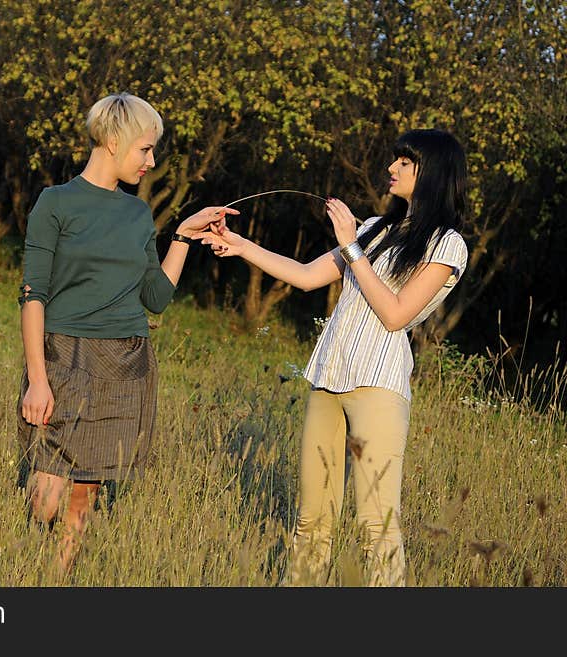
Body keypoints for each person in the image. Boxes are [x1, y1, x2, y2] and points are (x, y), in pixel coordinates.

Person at [197, 129, 469, 586]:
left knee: (376, 528)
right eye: (395, 160)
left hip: (378, 389)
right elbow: (306, 277)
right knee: (312, 522)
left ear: (433, 173)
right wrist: (242, 245)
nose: (392, 168)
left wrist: (351, 246)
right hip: (328, 380)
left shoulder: (446, 244)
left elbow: (396, 314)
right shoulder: (373, 230)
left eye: (405, 162)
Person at [17, 91, 236, 574]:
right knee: (46, 500)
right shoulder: (54, 204)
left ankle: (57, 579)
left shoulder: (137, 214)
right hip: (63, 356)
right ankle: (27, 560)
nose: (151, 161)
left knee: (85, 492)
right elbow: (33, 294)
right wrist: (37, 377)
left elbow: (155, 297)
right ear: (113, 140)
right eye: (144, 149)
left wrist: (182, 236)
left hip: (125, 361)